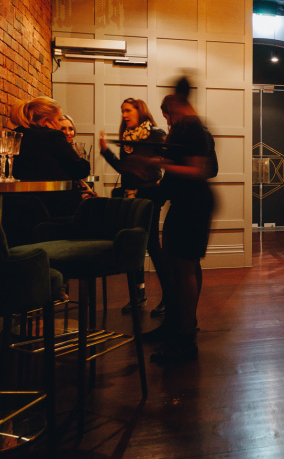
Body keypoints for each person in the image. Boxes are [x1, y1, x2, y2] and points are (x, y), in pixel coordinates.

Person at [138, 77, 216, 363]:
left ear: (177, 102)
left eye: (169, 111)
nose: (168, 118)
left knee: (184, 269)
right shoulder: (188, 128)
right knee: (179, 266)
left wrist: (157, 163)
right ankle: (176, 326)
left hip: (192, 205)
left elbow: (199, 170)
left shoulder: (193, 128)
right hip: (186, 203)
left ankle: (185, 338)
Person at [99, 98, 167, 316]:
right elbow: (123, 168)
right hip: (130, 196)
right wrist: (105, 151)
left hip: (149, 195)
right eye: (122, 111)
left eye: (128, 110)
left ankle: (169, 296)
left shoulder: (155, 133)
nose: (124, 115)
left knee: (152, 245)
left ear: (140, 111)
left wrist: (159, 182)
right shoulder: (126, 137)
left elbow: (166, 163)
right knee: (134, 245)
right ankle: (138, 295)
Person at [10, 97, 91, 217]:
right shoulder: (52, 136)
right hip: (55, 211)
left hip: (16, 210)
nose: (60, 124)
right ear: (45, 121)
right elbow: (80, 169)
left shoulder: (12, 136)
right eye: (58, 119)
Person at [59, 114, 97, 200]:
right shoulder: (57, 150)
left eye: (71, 129)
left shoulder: (78, 149)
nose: (68, 133)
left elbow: (83, 175)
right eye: (63, 129)